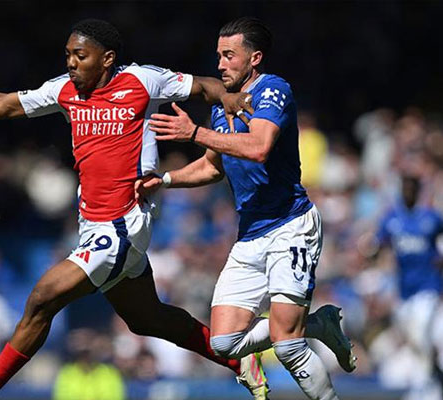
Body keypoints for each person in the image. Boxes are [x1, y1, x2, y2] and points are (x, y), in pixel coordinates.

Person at [0, 19, 268, 400]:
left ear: (106, 58)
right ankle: (241, 360)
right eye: (68, 55)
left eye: (80, 55)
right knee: (147, 319)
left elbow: (203, 85)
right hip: (93, 225)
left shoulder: (142, 80)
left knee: (43, 297)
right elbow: (2, 104)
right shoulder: (64, 90)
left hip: (124, 222)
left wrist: (225, 96)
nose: (72, 63)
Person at [139, 17, 357, 400]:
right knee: (224, 344)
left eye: (229, 55)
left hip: (291, 226)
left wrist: (192, 132)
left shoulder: (273, 89)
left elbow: (258, 148)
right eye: (218, 56)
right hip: (250, 234)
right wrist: (167, 180)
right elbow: (210, 166)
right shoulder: (222, 109)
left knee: (287, 346)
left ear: (254, 58)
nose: (220, 64)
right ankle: (319, 324)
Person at [373, 175, 443, 397]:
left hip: (428, 286)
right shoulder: (392, 218)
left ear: (418, 191)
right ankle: (430, 379)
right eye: (405, 189)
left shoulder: (431, 218)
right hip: (404, 289)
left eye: (412, 189)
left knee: (421, 332)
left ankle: (425, 386)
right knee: (413, 339)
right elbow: (377, 244)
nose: (408, 193)